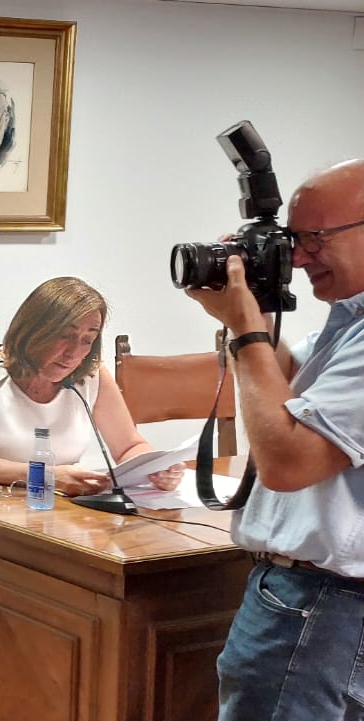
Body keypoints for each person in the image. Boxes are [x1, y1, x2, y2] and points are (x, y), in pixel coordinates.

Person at [185, 159, 364, 721]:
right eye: (292, 240)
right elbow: (284, 386)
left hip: (321, 608)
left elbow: (288, 462)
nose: (300, 258)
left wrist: (246, 331)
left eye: (315, 238)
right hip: (319, 604)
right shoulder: (349, 324)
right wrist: (250, 311)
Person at [0, 277, 185, 495]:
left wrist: (156, 468)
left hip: (60, 506)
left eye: (87, 340)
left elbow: (128, 447)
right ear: (34, 330)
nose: (73, 353)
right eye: (65, 336)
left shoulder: (91, 374)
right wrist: (46, 476)